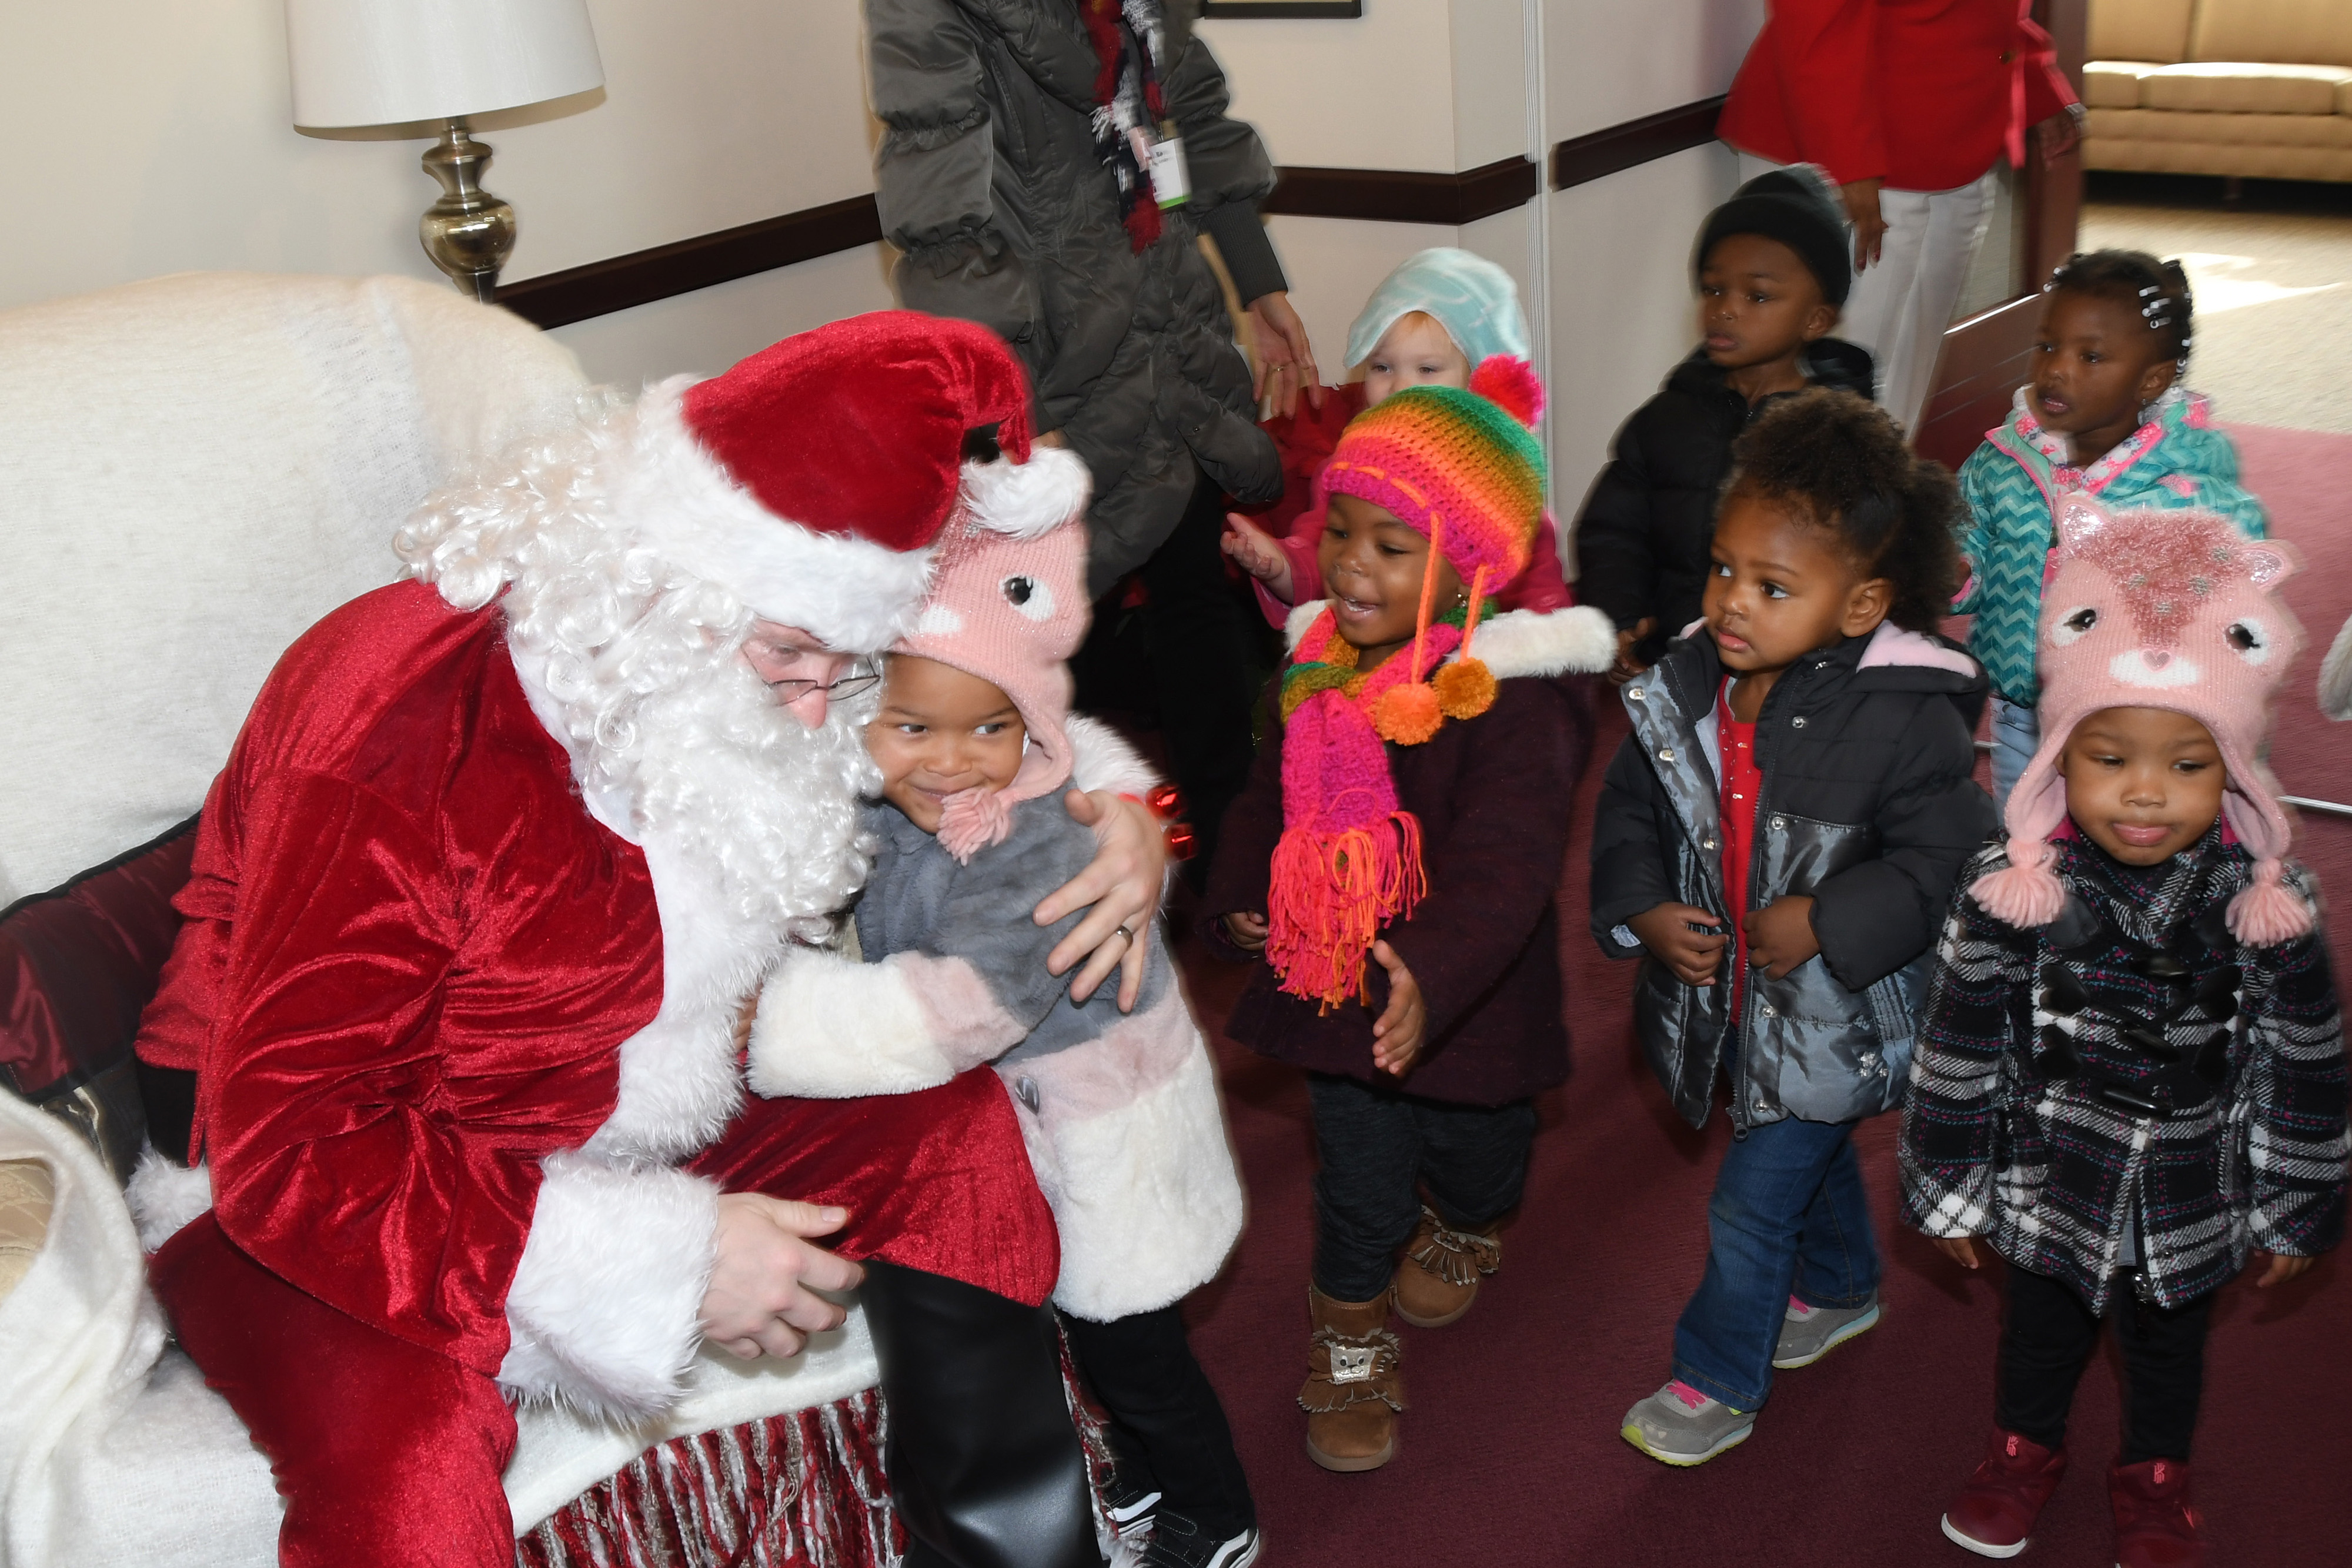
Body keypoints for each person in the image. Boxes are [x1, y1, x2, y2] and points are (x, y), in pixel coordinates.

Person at [122, 312, 1174, 1568]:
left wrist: (1123, 823)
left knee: (953, 1146)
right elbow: (294, 1140)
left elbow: (977, 746)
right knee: (405, 1451)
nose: (811, 702)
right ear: (660, 577)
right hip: (315, 1166)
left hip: (622, 1091)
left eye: (844, 663)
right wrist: (659, 1256)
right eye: (790, 652)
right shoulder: (398, 723)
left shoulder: (771, 667)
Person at [745, 509, 1259, 1568]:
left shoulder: (1033, 846)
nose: (951, 762)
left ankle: (1217, 1513)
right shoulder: (895, 807)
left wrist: (769, 1022)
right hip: (1042, 1125)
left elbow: (953, 1013)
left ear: (1032, 730)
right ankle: (1146, 1482)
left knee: (1137, 1349)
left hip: (1105, 1133)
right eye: (914, 729)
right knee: (1086, 1342)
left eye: (989, 729)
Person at [1902, 494, 2347, 1567]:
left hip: (2193, 1181)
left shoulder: (2264, 901)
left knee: (2170, 1345)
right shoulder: (2015, 889)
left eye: (2189, 767)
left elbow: (2303, 1061)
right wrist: (1950, 1182)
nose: (2146, 794)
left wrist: (2295, 1204)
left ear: (2235, 773)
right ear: (2059, 759)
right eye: (2111, 760)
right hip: (2051, 1172)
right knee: (2040, 1330)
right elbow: (1960, 1044)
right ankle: (2024, 1448)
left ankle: (2155, 1474)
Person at [1202, 363, 1613, 1475]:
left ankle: (1472, 1221)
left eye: (1393, 546)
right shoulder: (1318, 662)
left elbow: (1510, 865)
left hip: (1466, 991)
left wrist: (1432, 966)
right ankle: (1347, 1340)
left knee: (1479, 1151)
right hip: (1340, 980)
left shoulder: (1517, 699)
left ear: (1470, 562)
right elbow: (1263, 795)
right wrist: (1245, 893)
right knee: (1359, 1177)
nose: (1351, 566)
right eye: (1339, 533)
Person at [1591, 389, 1996, 1466]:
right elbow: (1630, 809)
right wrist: (1640, 906)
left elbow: (1952, 858)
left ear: (1861, 602)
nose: (1733, 603)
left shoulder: (1903, 718)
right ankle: (1847, 1286)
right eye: (1724, 568)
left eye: (1775, 587)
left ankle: (1717, 1374)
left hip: (1834, 1013)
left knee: (1748, 1200)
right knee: (1794, 1158)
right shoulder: (1687, 686)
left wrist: (1826, 915)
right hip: (1726, 1003)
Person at [868, 0, 1318, 883]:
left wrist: (1257, 282)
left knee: (1197, 592)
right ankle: (1015, 878)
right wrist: (1006, 406)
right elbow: (946, 220)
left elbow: (1193, 116)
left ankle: (1235, 861)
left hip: (1166, 328)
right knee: (1029, 638)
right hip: (1049, 357)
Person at [1957, 249, 2269, 807]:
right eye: (2048, 345)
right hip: (2022, 707)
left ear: (2151, 379)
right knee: (2026, 838)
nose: (2056, 368)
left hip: (2134, 718)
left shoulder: (2185, 487)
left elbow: (2240, 566)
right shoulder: (2003, 461)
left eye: (2091, 356)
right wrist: (1957, 569)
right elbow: (1970, 543)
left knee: (2124, 841)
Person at [1717, 0, 2078, 433]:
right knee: (1833, 386)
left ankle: (1884, 494)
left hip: (1955, 145)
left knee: (1901, 385)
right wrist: (1848, 163)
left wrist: (2035, 85)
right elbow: (1816, 23)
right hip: (1851, 142)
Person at [1575, 165, 1875, 682]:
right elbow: (1614, 532)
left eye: (1757, 296)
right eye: (1713, 290)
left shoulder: (1840, 435)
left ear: (1816, 320)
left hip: (1789, 676)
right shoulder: (1665, 418)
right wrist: (1620, 618)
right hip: (1673, 662)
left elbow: (1863, 559)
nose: (1726, 310)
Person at [1219, 248, 1569, 627]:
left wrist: (1545, 650)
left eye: (1427, 369)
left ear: (1476, 384)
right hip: (1376, 661)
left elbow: (1538, 590)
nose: (1402, 387)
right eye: (1383, 367)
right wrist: (1280, 567)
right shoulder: (1349, 473)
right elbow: (1322, 557)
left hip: (1474, 663)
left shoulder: (1502, 484)